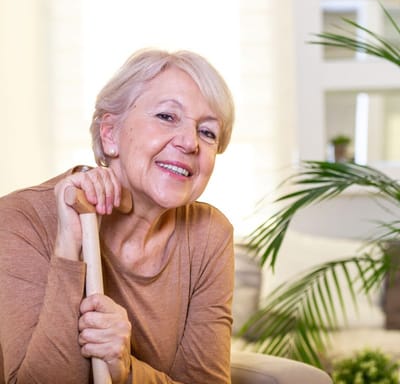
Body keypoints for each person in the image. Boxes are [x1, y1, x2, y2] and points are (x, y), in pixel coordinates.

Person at [0, 48, 235, 383]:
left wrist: (125, 369)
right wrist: (70, 250)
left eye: (208, 132)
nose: (190, 142)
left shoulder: (209, 234)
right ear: (110, 134)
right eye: (167, 116)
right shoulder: (21, 219)